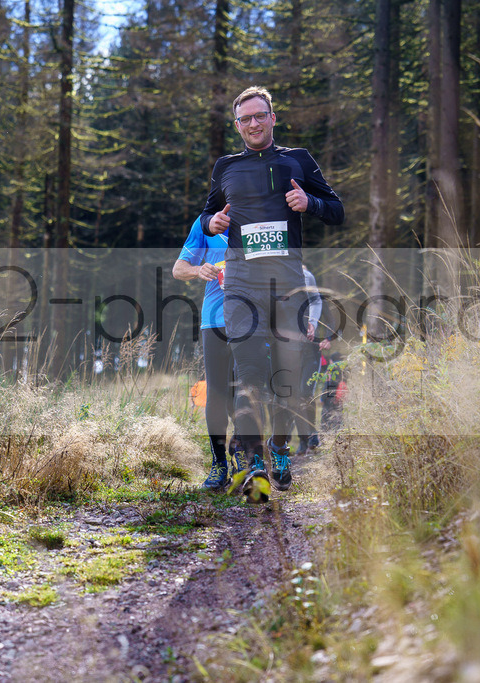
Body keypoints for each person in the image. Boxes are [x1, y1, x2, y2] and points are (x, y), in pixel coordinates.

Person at [201, 85, 344, 495]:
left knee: (289, 381)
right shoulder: (226, 166)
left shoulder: (297, 160)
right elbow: (210, 212)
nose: (253, 123)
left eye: (259, 115)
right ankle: (255, 464)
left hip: (288, 285)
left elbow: (337, 210)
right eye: (244, 118)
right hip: (242, 283)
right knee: (248, 376)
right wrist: (212, 223)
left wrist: (309, 204)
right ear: (237, 125)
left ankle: (280, 448)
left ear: (272, 118)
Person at [173, 215, 238, 490]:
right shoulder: (205, 224)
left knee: (247, 390)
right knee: (217, 391)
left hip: (254, 321)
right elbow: (178, 269)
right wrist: (199, 270)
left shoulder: (259, 217)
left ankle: (247, 454)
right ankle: (219, 464)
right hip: (214, 320)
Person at [292, 264, 332, 456]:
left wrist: (328, 338)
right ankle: (303, 439)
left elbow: (332, 321)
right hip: (290, 352)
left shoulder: (315, 298)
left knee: (305, 393)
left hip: (311, 352)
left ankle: (311, 434)